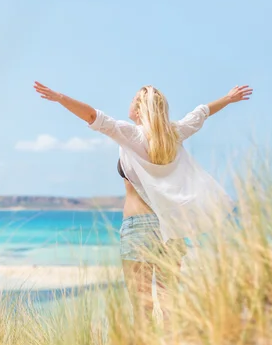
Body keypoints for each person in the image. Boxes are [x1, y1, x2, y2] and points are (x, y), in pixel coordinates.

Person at [33, 81, 253, 321]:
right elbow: (201, 113)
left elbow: (92, 116)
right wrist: (228, 98)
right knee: (170, 304)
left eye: (132, 101)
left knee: (142, 309)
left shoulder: (130, 134)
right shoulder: (175, 133)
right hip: (171, 229)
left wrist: (61, 98)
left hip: (139, 228)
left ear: (138, 110)